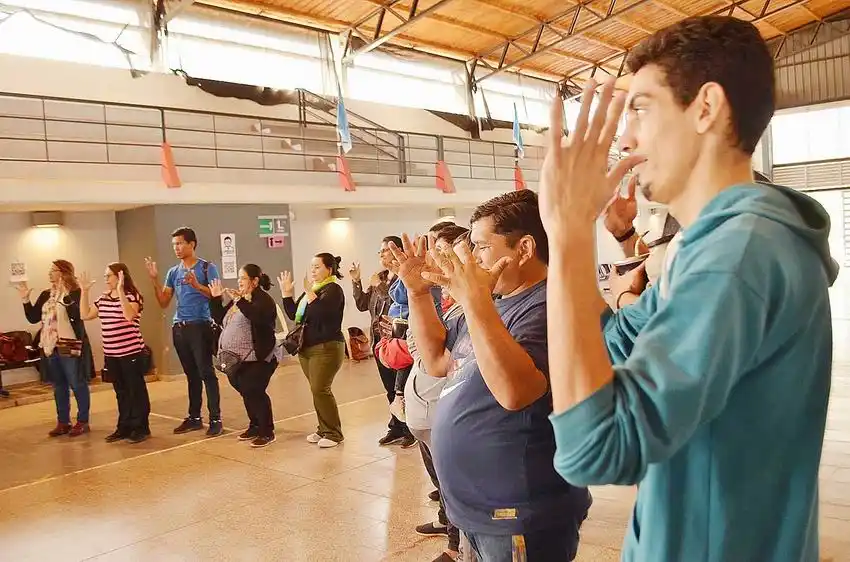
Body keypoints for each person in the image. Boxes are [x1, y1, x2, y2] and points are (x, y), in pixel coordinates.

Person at [540, 16, 835, 562]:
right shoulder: (714, 246)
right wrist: (573, 234)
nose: (626, 137)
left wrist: (566, 234)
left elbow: (594, 451)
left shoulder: (738, 253)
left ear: (705, 107)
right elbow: (607, 341)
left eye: (641, 108)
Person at [393, 190, 592, 562]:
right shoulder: (493, 300)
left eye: (481, 247)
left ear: (525, 248)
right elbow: (438, 361)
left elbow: (516, 392)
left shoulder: (554, 304)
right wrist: (419, 293)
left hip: (520, 516)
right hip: (476, 512)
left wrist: (475, 302)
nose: (472, 258)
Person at [404, 224, 469, 562]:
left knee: (455, 484)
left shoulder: (472, 307)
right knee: (444, 483)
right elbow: (432, 359)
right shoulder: (449, 303)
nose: (438, 260)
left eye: (445, 252)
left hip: (448, 415)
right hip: (428, 412)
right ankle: (454, 534)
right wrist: (417, 293)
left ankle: (457, 545)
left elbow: (437, 361)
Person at [145, 227, 223, 437]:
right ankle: (194, 417)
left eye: (180, 244)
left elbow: (216, 297)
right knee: (191, 375)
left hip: (201, 325)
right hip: (180, 327)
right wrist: (154, 280)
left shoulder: (207, 268)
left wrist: (197, 285)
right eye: (174, 245)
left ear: (192, 244)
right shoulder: (173, 272)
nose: (177, 248)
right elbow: (163, 301)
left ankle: (215, 418)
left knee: (207, 372)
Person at [17, 260, 94, 437]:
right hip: (50, 344)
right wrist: (25, 299)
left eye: (53, 271)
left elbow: (77, 315)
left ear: (64, 272)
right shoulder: (46, 294)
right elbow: (33, 317)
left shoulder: (74, 292)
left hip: (69, 342)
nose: (49, 273)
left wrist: (65, 295)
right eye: (50, 270)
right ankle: (63, 422)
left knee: (76, 382)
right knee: (59, 385)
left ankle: (82, 421)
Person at [79, 263, 151, 443]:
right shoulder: (102, 299)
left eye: (109, 276)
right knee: (121, 392)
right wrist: (84, 291)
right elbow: (85, 315)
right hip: (112, 354)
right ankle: (124, 426)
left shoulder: (132, 296)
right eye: (105, 276)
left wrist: (120, 291)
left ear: (120, 277)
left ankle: (141, 427)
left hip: (131, 352)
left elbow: (129, 316)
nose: (106, 279)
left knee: (136, 391)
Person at [280, 253, 346, 448]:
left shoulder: (333, 289)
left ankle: (334, 434)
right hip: (306, 348)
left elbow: (321, 314)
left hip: (327, 347)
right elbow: (295, 315)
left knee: (320, 389)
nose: (313, 271)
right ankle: (323, 429)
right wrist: (286, 294)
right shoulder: (313, 289)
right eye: (312, 267)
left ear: (329, 269)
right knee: (316, 390)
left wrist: (310, 294)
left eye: (317, 267)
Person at [209, 265, 278, 448]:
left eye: (244, 278)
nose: (239, 281)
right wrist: (215, 299)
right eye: (239, 278)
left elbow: (257, 317)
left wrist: (240, 301)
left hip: (259, 358)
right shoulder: (238, 301)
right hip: (236, 360)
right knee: (247, 393)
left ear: (255, 281)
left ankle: (266, 431)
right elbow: (219, 318)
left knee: (254, 391)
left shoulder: (263, 300)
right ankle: (254, 425)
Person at [350, 237, 409, 446]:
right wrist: (357, 282)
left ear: (398, 251)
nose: (382, 254)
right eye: (380, 251)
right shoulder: (380, 276)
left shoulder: (404, 276)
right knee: (390, 389)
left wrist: (380, 287)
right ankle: (396, 427)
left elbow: (398, 302)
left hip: (399, 340)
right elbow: (362, 304)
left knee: (402, 388)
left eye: (385, 250)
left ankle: (410, 430)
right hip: (380, 341)